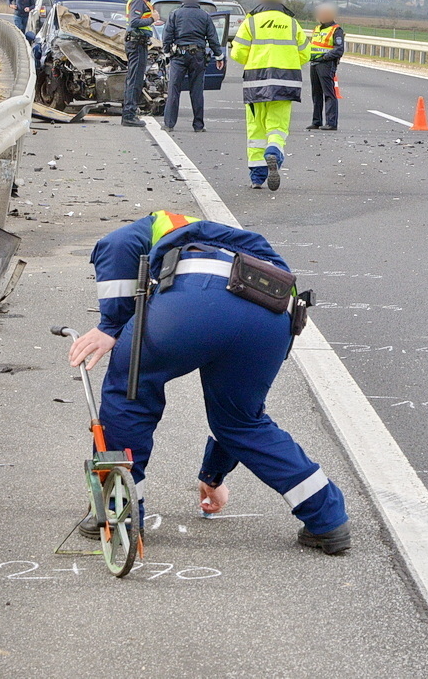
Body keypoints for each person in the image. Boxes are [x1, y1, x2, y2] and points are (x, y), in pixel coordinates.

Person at [67, 211, 351, 555]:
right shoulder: (242, 243)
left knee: (129, 394)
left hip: (193, 300)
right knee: (241, 420)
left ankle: (119, 513)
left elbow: (118, 243)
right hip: (273, 317)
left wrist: (112, 324)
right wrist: (212, 475)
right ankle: (327, 518)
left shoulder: (161, 221)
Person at [230, 0, 309, 190]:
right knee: (278, 126)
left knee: (256, 129)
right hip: (286, 80)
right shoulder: (292, 23)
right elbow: (305, 54)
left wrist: (256, 58)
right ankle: (274, 150)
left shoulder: (251, 21)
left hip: (256, 80)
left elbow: (237, 53)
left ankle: (257, 177)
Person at [161, 0, 224, 132]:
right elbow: (213, 39)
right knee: (196, 91)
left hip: (179, 56)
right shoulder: (205, 16)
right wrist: (219, 56)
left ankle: (169, 124)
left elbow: (167, 36)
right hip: (198, 56)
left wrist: (167, 54)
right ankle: (198, 125)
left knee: (174, 90)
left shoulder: (175, 14)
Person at [122, 0, 162, 127]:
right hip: (137, 43)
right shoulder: (138, 1)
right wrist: (152, 19)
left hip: (138, 43)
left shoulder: (142, 1)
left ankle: (128, 113)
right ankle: (129, 115)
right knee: (135, 80)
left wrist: (152, 21)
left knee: (134, 79)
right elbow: (135, 21)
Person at [307, 4, 345, 131]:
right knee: (316, 94)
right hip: (314, 63)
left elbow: (339, 49)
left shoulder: (336, 30)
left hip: (326, 64)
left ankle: (331, 122)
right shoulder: (317, 28)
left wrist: (324, 57)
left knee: (329, 94)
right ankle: (316, 121)